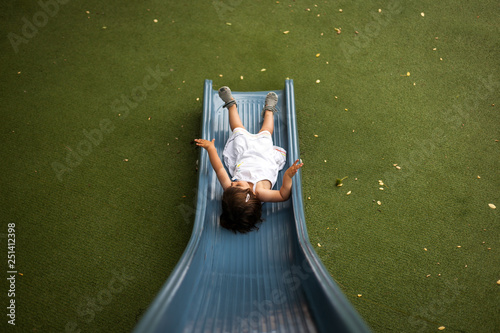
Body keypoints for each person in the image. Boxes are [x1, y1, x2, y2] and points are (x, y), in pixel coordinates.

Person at [195, 86, 303, 233]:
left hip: (243, 153)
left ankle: (231, 105)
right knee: (266, 132)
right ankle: (269, 110)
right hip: (263, 154)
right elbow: (282, 195)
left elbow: (219, 169)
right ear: (249, 195)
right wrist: (288, 176)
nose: (232, 183)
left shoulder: (232, 190)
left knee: (238, 130)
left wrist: (211, 149)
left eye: (231, 185)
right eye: (237, 185)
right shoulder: (260, 192)